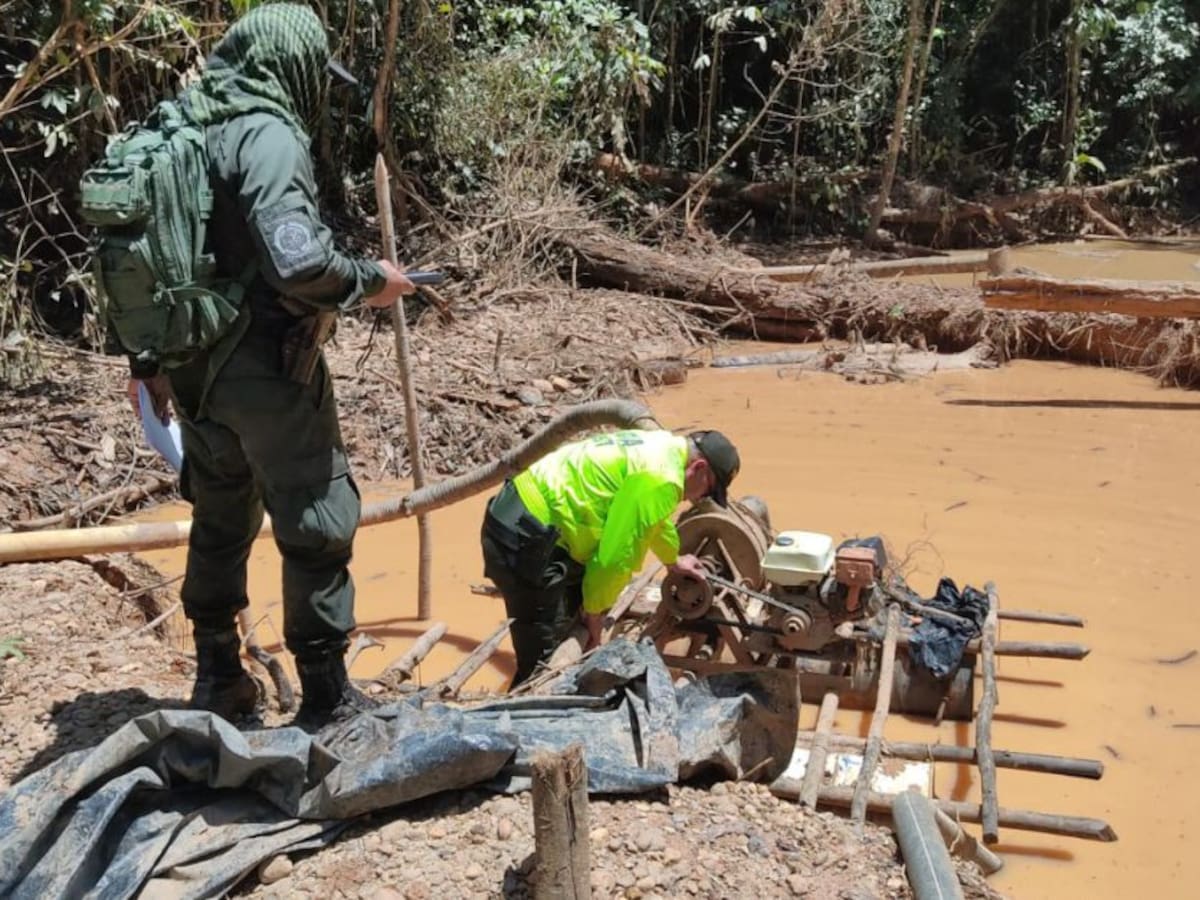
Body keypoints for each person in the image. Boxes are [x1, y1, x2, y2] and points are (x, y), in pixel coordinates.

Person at [126, 4, 415, 729]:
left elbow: (143, 258)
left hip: (191, 367)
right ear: (289, 65)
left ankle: (218, 676)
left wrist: (147, 360)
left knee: (221, 512)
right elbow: (298, 260)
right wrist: (371, 281)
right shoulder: (267, 132)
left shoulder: (182, 128)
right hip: (265, 365)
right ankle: (326, 696)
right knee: (317, 512)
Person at [480, 428, 741, 687]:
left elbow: (651, 519)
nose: (698, 499)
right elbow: (615, 559)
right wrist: (595, 614)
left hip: (526, 514)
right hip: (523, 536)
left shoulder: (664, 448)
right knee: (546, 665)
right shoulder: (661, 479)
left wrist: (673, 559)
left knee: (573, 614)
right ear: (698, 467)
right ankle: (525, 702)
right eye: (707, 491)